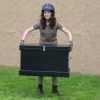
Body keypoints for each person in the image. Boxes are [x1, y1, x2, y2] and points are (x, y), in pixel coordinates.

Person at [21, 3, 73, 95]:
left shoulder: (56, 23)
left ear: (52, 13)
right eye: (45, 12)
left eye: (48, 12)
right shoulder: (40, 23)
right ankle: (40, 88)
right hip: (42, 48)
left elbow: (68, 32)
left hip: (54, 48)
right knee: (41, 69)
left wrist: (70, 42)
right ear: (43, 13)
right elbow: (27, 30)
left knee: (55, 69)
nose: (46, 14)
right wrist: (22, 40)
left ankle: (54, 89)